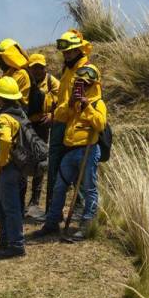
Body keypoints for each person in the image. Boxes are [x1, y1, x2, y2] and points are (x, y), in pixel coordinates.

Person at [33, 64, 107, 240]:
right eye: (80, 83)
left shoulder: (98, 103)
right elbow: (59, 116)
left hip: (88, 149)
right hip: (70, 150)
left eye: (87, 84)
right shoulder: (73, 101)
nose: (83, 87)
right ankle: (52, 223)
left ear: (94, 85)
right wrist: (71, 104)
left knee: (89, 188)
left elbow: (100, 124)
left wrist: (86, 106)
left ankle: (87, 224)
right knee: (59, 187)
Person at [45, 29, 93, 215]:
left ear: (79, 49)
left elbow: (76, 101)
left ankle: (79, 209)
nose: (67, 55)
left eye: (70, 51)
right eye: (65, 52)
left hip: (73, 125)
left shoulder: (85, 70)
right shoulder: (68, 68)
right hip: (60, 122)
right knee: (57, 166)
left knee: (77, 168)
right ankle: (53, 210)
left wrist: (59, 113)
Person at [0, 76, 28, 259]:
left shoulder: (4, 117)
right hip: (22, 165)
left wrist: (2, 160)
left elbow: (4, 139)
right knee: (6, 203)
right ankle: (5, 239)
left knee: (9, 205)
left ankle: (16, 244)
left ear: (0, 98)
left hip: (10, 166)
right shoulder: (20, 113)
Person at [25, 53, 60, 220]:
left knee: (40, 160)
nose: (38, 70)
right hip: (26, 126)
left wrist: (53, 116)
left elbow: (62, 101)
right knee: (24, 159)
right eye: (34, 67)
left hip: (42, 126)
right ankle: (22, 199)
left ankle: (35, 200)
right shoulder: (25, 81)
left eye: (40, 67)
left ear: (45, 67)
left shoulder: (53, 82)